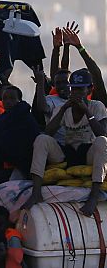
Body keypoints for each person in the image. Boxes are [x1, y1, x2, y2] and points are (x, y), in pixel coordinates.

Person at [23, 68, 107, 216]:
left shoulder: (96, 106)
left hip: (87, 152)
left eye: (81, 89)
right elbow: (48, 132)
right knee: (42, 139)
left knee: (102, 141)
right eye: (74, 89)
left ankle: (94, 196)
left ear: (90, 89)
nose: (77, 93)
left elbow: (102, 133)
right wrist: (63, 110)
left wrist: (86, 111)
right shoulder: (63, 107)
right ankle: (36, 192)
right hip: (67, 152)